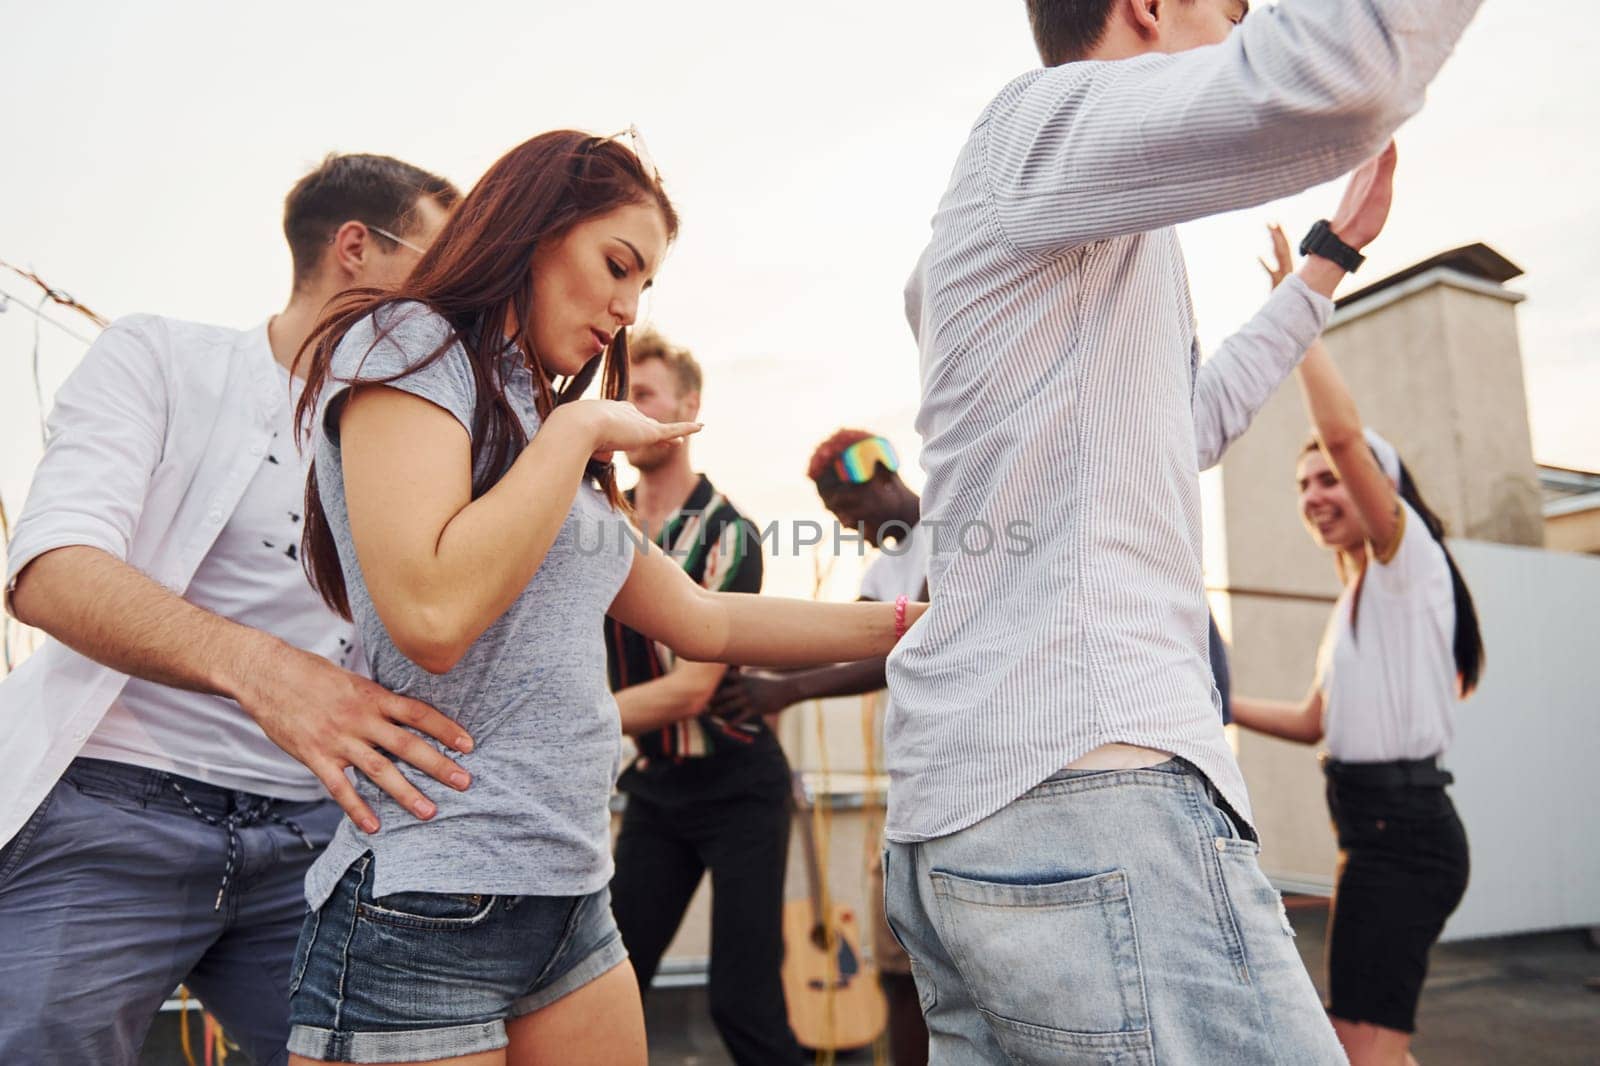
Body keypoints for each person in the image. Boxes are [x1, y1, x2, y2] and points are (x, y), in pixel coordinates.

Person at [883, 0, 1483, 1061]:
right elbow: (1338, 72)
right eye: (1235, 7)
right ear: (1148, 8)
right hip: (1087, 796)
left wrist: (1325, 263)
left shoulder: (1068, 226)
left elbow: (1186, 425)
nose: (1246, 20)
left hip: (989, 810)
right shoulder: (1039, 128)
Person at [285, 128, 926, 1066]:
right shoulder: (410, 343)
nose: (626, 310)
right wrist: (583, 423)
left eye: (646, 287)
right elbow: (430, 617)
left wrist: (920, 624)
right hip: (428, 902)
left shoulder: (536, 423)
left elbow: (707, 619)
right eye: (616, 266)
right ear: (537, 230)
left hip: (572, 900)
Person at [0, 153, 463, 1065]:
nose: (455, 299)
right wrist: (266, 672)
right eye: (439, 268)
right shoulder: (161, 357)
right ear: (356, 249)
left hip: (318, 839)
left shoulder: (428, 438)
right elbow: (52, 569)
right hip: (109, 810)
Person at [1231, 224, 1478, 1066]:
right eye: (1303, 485)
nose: (1315, 493)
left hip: (1403, 833)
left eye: (1331, 478)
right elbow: (1312, 722)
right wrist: (1213, 702)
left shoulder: (1408, 563)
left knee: (1360, 1051)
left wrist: (1297, 308)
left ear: (1381, 488)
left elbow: (1342, 432)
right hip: (1373, 834)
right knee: (1361, 1045)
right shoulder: (1358, 605)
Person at [603, 330, 806, 1066]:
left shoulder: (729, 533)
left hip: (740, 788)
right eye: (621, 395)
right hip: (659, 788)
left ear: (689, 408)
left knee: (742, 1005)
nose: (630, 410)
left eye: (646, 395)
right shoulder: (601, 518)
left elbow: (693, 688)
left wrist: (568, 721)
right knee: (608, 986)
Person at [715, 427, 930, 1065]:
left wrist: (788, 691)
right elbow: (840, 637)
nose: (852, 526)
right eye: (837, 517)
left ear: (885, 480)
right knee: (897, 969)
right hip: (914, 790)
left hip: (968, 787)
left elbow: (902, 649)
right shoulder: (885, 565)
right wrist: (746, 655)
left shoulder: (953, 531)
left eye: (853, 510)